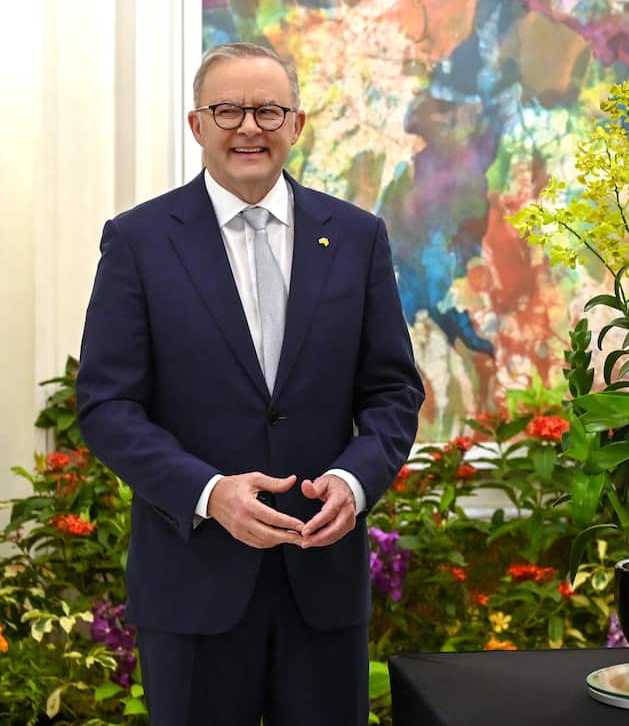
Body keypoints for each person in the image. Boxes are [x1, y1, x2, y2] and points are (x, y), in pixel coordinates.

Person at [76, 42, 425, 725]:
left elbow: (392, 391)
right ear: (196, 124)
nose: (248, 128)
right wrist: (209, 493)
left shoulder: (357, 238)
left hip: (322, 583)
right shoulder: (139, 241)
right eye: (227, 110)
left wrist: (354, 481)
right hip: (191, 587)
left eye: (268, 110)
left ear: (297, 124)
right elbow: (108, 405)